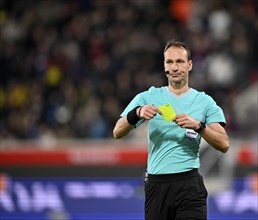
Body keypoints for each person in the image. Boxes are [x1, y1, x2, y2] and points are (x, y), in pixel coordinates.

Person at [113, 39, 229, 220]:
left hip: (189, 185)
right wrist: (137, 112)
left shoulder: (204, 102)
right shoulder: (149, 97)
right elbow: (117, 131)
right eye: (170, 62)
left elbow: (224, 143)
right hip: (157, 185)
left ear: (189, 65)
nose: (174, 67)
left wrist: (199, 126)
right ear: (164, 65)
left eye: (180, 62)